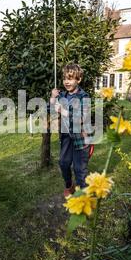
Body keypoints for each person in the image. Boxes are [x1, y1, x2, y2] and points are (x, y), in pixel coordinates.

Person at [50, 63, 94, 198]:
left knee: (79, 169)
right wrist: (52, 98)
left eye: (70, 78)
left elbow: (81, 118)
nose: (66, 81)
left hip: (81, 138)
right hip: (66, 137)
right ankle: (69, 185)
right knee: (63, 163)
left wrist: (62, 110)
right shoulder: (61, 95)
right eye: (64, 78)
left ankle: (84, 196)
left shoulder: (84, 96)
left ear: (78, 80)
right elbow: (50, 109)